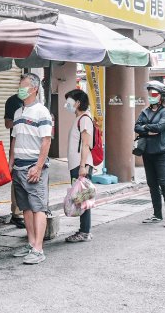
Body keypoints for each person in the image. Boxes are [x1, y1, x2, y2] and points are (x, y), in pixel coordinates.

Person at [10, 73, 52, 265]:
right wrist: (10, 164)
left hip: (34, 166)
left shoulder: (42, 112)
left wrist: (38, 166)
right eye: (20, 84)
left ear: (34, 89)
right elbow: (14, 140)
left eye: (24, 85)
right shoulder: (18, 113)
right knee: (25, 207)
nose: (20, 88)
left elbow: (46, 141)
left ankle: (38, 249)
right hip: (18, 166)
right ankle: (30, 243)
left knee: (37, 207)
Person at [135, 81, 165, 227]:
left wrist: (146, 127)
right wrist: (148, 130)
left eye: (154, 94)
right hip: (147, 152)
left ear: (161, 96)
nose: (151, 96)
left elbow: (159, 128)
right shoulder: (145, 111)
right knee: (152, 184)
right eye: (149, 93)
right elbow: (137, 127)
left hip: (162, 152)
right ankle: (157, 215)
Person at [63, 88, 94, 243]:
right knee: (80, 198)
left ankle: (85, 232)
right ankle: (84, 230)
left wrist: (83, 166)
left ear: (78, 103)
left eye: (69, 101)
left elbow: (86, 145)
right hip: (77, 164)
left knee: (83, 198)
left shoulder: (85, 119)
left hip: (81, 165)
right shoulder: (79, 118)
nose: (66, 104)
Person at [4, 93, 26, 228]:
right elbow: (7, 124)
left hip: (34, 149)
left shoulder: (38, 103)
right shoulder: (13, 102)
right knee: (17, 179)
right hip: (17, 147)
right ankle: (17, 214)